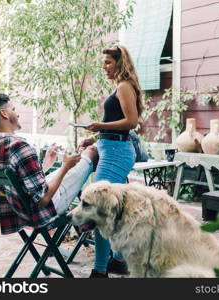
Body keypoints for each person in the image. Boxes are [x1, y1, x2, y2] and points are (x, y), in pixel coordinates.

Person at [0, 93, 98, 235]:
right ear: (4, 113)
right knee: (92, 152)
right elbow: (43, 199)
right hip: (43, 211)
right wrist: (66, 166)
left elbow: (23, 184)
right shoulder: (19, 146)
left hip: (19, 213)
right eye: (14, 109)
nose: (18, 114)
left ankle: (87, 216)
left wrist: (45, 165)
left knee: (79, 164)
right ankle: (96, 217)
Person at [78, 45, 144, 277]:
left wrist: (100, 126)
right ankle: (118, 260)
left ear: (120, 62)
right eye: (103, 62)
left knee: (99, 208)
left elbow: (131, 122)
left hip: (117, 153)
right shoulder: (119, 87)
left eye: (108, 62)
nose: (104, 67)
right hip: (111, 149)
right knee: (113, 210)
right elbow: (116, 121)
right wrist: (93, 137)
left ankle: (100, 271)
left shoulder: (125, 86)